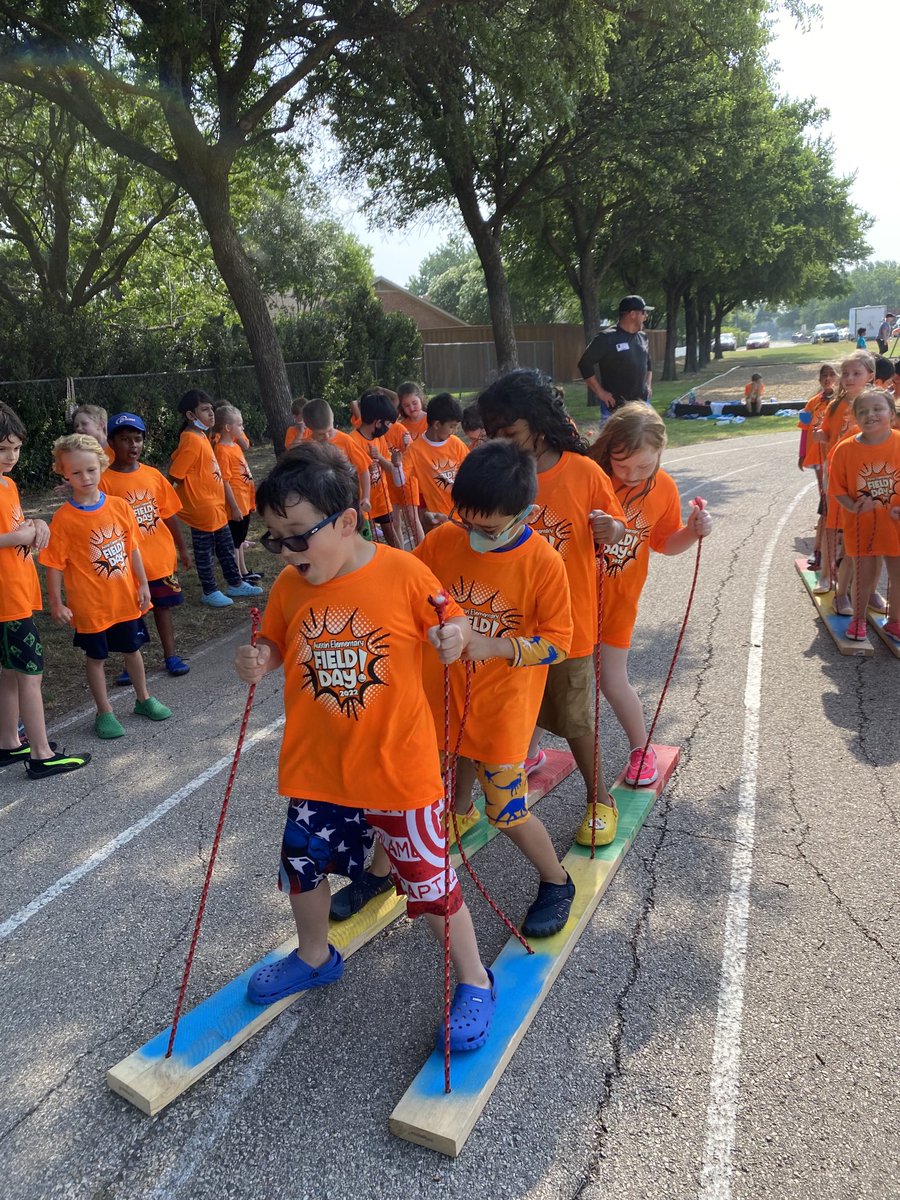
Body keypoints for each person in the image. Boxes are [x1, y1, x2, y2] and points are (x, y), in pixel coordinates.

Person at [233, 441, 497, 1052]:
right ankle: (314, 955)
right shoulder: (290, 589)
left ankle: (475, 980)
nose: (287, 553)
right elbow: (275, 644)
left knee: (432, 886)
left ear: (347, 521)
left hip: (397, 770)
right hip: (318, 768)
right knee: (302, 870)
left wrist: (454, 638)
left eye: (298, 536)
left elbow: (453, 621)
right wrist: (259, 660)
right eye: (274, 539)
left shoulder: (403, 573)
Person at [477, 369, 626, 847]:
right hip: (507, 629)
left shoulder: (582, 473)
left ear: (538, 424)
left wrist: (609, 528)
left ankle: (600, 798)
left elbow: (617, 526)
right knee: (488, 715)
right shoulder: (500, 477)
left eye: (512, 434)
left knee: (577, 721)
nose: (504, 444)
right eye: (494, 436)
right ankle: (469, 802)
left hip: (568, 630)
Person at [587, 405, 712, 784]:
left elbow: (664, 543)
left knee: (612, 680)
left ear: (661, 451)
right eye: (621, 467)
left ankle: (641, 749)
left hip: (618, 602)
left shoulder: (665, 488)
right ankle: (529, 754)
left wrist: (692, 531)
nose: (630, 476)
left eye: (643, 467)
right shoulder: (593, 477)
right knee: (554, 679)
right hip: (571, 599)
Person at [41, 434, 172, 739]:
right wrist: (57, 603)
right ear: (64, 472)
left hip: (125, 599)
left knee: (133, 650)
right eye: (76, 472)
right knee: (96, 658)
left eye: (90, 470)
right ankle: (105, 711)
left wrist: (143, 585)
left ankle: (143, 698)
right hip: (90, 607)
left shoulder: (119, 506)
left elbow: (133, 548)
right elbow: (53, 564)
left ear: (102, 465)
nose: (85, 477)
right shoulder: (63, 520)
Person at [0, 404, 90, 777]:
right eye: (3, 449)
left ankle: (8, 743)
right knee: (30, 674)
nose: (11, 457)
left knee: (8, 674)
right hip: (6, 601)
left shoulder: (8, 485)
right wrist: (19, 536)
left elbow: (17, 527)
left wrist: (35, 524)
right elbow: (11, 535)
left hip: (18, 594)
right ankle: (40, 753)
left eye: (16, 449)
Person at [102, 412, 191, 681]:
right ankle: (131, 664)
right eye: (125, 439)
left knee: (162, 608)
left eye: (138, 439)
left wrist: (183, 549)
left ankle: (171, 656)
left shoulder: (153, 475)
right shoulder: (104, 481)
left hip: (159, 558)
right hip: (127, 563)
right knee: (131, 613)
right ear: (111, 442)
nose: (133, 445)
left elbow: (168, 514)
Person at [167, 389, 262, 607]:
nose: (211, 414)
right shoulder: (191, 439)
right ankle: (209, 590)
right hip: (203, 508)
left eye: (212, 409)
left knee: (227, 547)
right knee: (204, 552)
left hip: (216, 506)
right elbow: (175, 474)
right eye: (205, 410)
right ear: (191, 415)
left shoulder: (203, 436)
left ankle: (235, 584)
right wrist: (170, 501)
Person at [828, 388, 900, 642]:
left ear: (892, 414)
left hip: (895, 526)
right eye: (863, 411)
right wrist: (853, 507)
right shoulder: (845, 450)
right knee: (864, 576)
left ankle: (895, 621)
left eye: (878, 409)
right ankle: (858, 620)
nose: (870, 415)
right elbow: (837, 489)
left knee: (898, 575)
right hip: (861, 525)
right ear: (856, 418)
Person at [813, 350, 875, 609]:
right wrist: (821, 435)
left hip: (865, 475)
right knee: (832, 522)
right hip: (836, 471)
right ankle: (827, 575)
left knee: (863, 527)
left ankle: (861, 587)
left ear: (870, 377)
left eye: (856, 373)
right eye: (846, 373)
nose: (849, 378)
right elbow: (826, 434)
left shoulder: (875, 404)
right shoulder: (835, 405)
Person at [577, 296, 653, 415]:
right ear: (632, 314)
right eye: (643, 312)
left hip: (642, 406)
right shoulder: (606, 338)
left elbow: (648, 363)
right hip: (615, 409)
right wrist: (600, 393)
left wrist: (648, 385)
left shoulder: (643, 337)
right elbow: (584, 364)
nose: (646, 316)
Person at [406, 392, 468, 532]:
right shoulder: (415, 450)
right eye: (452, 426)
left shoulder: (456, 444)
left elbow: (471, 472)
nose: (455, 431)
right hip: (440, 521)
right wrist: (394, 464)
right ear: (437, 424)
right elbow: (400, 480)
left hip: (467, 517)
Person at [301, 398, 372, 518]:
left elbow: (364, 470)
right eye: (320, 434)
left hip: (349, 502)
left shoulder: (346, 441)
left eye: (329, 430)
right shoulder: (307, 447)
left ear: (332, 419)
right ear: (308, 427)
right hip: (323, 506)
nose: (327, 436)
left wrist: (366, 497)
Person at [213, 405, 260, 583]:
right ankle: (237, 577)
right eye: (239, 425)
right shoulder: (222, 450)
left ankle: (244, 571)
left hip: (245, 500)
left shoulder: (235, 446)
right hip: (236, 504)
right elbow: (224, 480)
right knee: (234, 540)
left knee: (239, 539)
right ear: (228, 427)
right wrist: (233, 506)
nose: (243, 428)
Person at [797, 364, 837, 572]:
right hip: (819, 457)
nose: (828, 378)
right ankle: (818, 550)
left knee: (833, 503)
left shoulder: (841, 402)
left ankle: (831, 551)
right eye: (824, 375)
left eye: (832, 374)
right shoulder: (814, 402)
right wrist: (802, 454)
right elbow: (805, 430)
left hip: (838, 456)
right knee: (826, 502)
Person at [349, 390, 401, 548]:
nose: (388, 428)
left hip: (382, 498)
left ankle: (403, 561)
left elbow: (390, 469)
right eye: (387, 424)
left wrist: (380, 457)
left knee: (391, 534)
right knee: (367, 540)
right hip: (363, 502)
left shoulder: (380, 438)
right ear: (377, 423)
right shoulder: (352, 441)